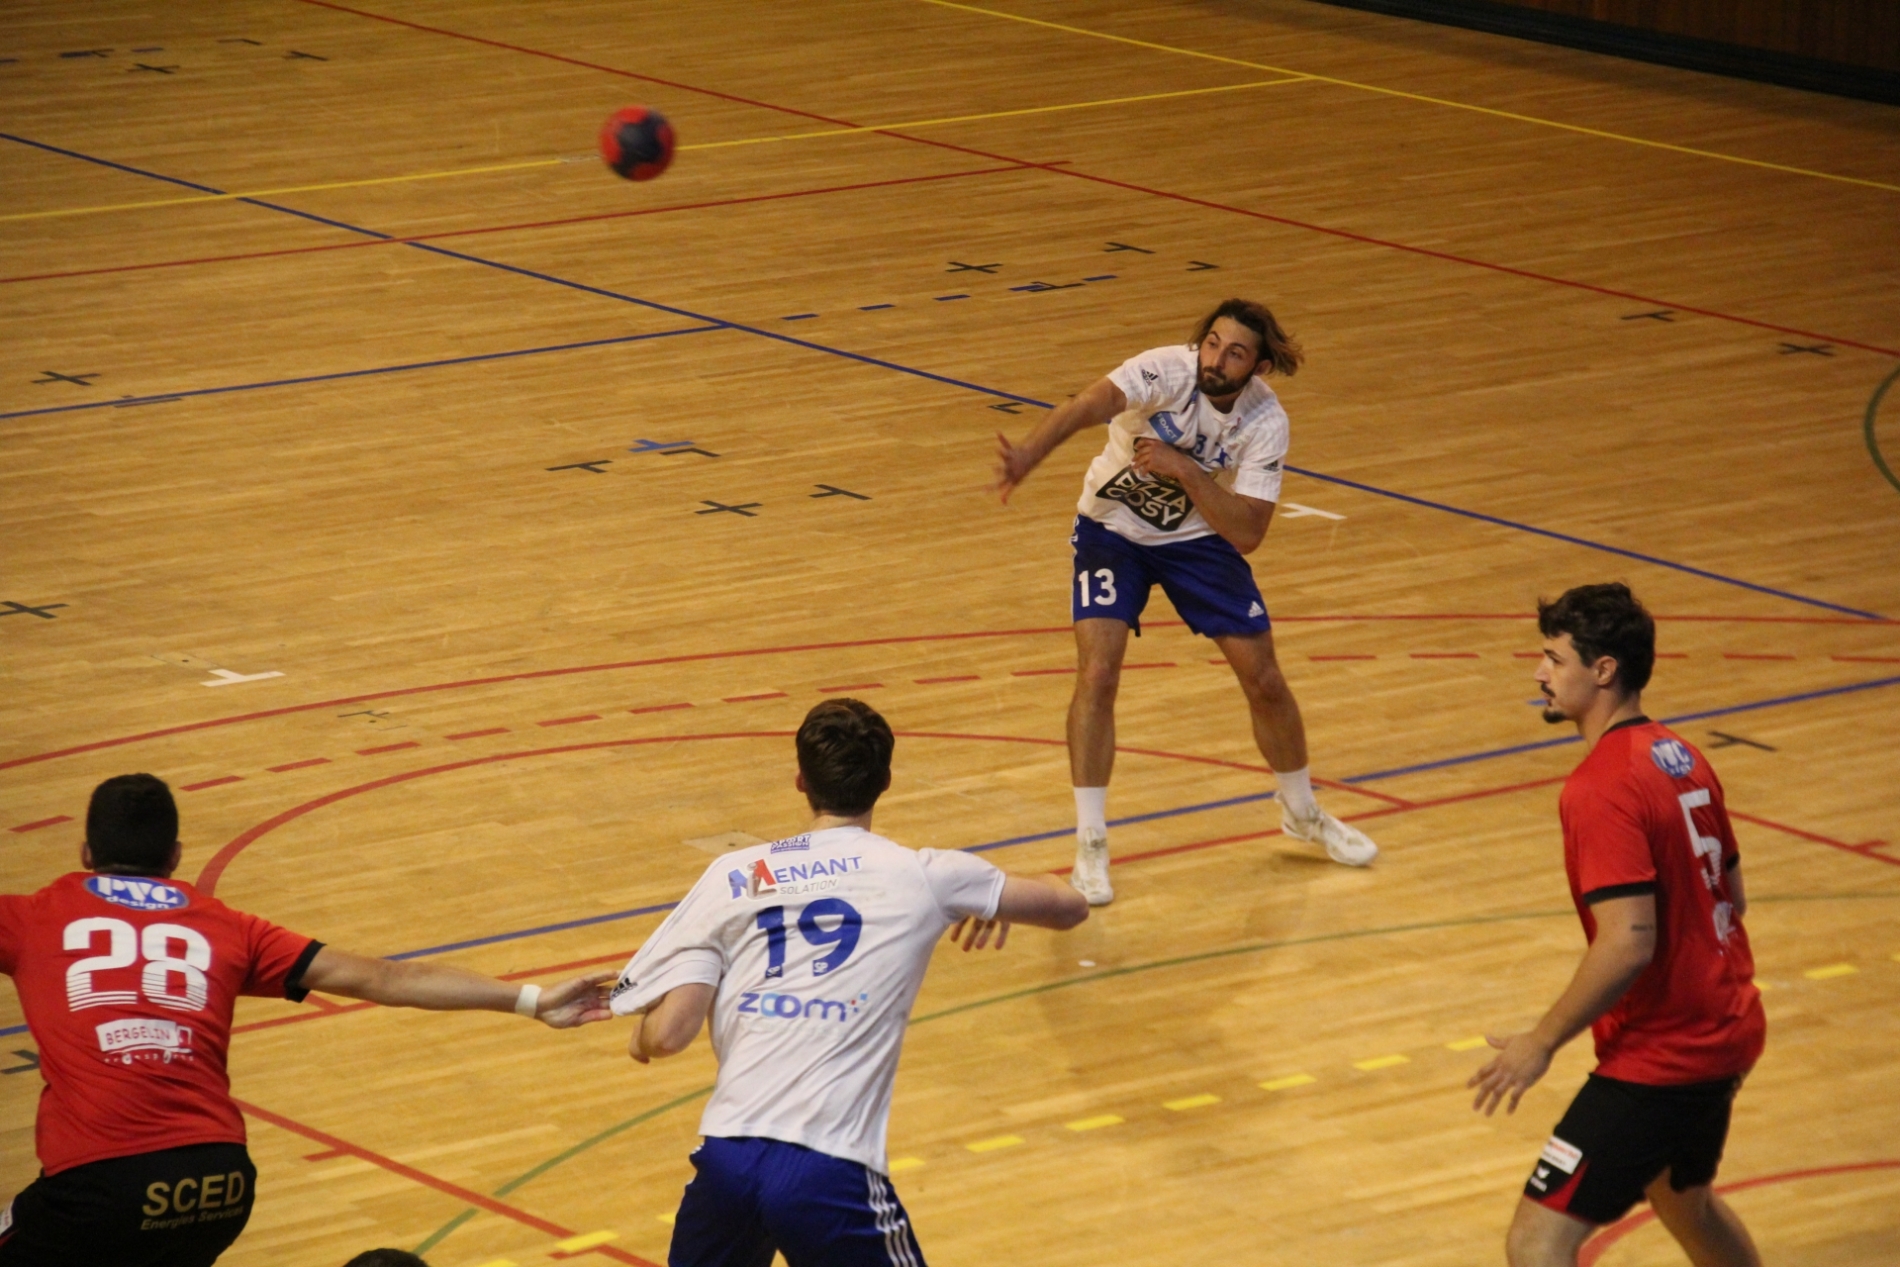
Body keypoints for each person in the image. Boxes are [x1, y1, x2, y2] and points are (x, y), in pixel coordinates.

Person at [0, 773, 614, 1267]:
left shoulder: (31, 916)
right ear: (176, 856)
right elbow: (390, 979)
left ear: (85, 853)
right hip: (219, 1184)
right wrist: (533, 1000)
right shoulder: (230, 927)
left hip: (99, 1181)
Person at [611, 699, 1088, 1266]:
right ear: (885, 781)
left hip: (727, 1158)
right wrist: (997, 896)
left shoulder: (735, 874)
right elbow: (1068, 907)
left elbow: (668, 1033)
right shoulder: (928, 875)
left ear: (800, 782)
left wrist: (638, 1041)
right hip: (827, 1167)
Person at [993, 297, 1378, 904]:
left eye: (1236, 353)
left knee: (1266, 679)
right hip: (1111, 529)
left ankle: (1301, 811)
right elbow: (1086, 406)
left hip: (1197, 538)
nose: (1217, 359)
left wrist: (1185, 471)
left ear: (1258, 367)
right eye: (1213, 343)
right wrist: (1029, 455)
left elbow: (1248, 532)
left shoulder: (1265, 421)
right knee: (1097, 672)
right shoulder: (1163, 371)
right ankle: (1090, 843)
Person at [1469, 584, 1765, 1267]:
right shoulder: (1681, 755)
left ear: (1603, 670)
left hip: (1668, 1053)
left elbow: (1630, 939)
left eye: (1554, 657)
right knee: (1684, 1203)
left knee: (1537, 1242)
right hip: (1727, 1022)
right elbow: (1734, 894)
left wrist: (1540, 1041)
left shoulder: (1600, 785)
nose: (1540, 672)